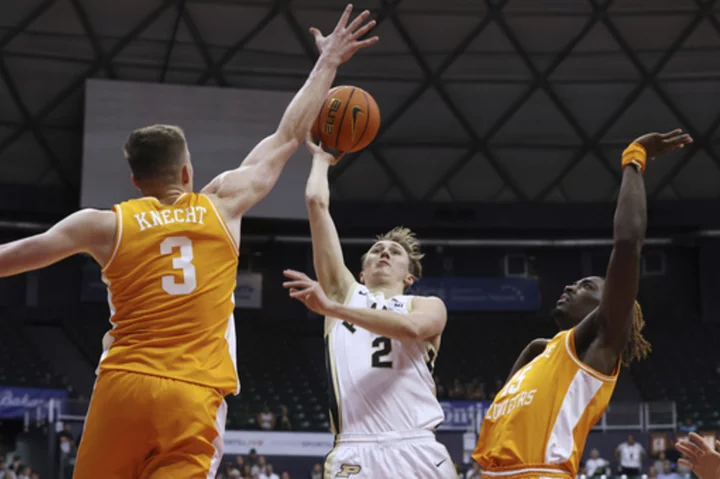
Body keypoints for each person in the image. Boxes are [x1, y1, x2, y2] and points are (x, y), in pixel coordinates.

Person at [0, 5, 377, 478]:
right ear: (186, 171)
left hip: (125, 385)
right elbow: (287, 137)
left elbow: (14, 257)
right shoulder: (222, 205)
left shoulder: (103, 224)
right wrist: (328, 62)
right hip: (193, 393)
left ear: (136, 181)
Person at [472, 129, 693, 479]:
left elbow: (627, 245)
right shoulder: (543, 355)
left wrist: (634, 160)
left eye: (586, 285)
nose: (571, 286)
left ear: (608, 302)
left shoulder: (598, 348)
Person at [280, 140, 455, 479]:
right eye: (376, 250)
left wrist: (332, 309)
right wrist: (320, 159)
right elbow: (317, 204)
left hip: (417, 444)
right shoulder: (346, 294)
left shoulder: (425, 304)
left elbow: (412, 330)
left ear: (409, 277)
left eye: (393, 252)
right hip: (354, 448)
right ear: (361, 274)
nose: (384, 253)